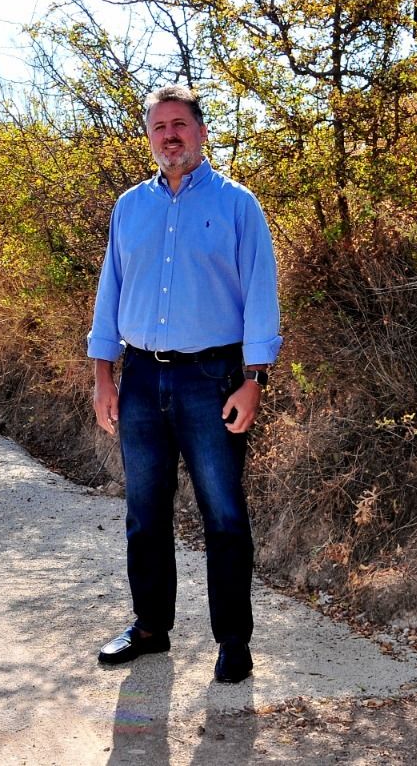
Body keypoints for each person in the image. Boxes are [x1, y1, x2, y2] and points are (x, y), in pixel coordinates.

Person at [87, 84, 281, 684]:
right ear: (149, 137)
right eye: (158, 126)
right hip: (141, 376)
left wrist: (253, 380)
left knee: (223, 513)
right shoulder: (130, 207)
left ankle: (233, 641)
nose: (169, 135)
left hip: (212, 377)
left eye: (179, 125)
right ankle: (150, 626)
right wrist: (104, 377)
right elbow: (110, 294)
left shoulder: (236, 205)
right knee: (145, 511)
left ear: (200, 132)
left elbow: (260, 296)